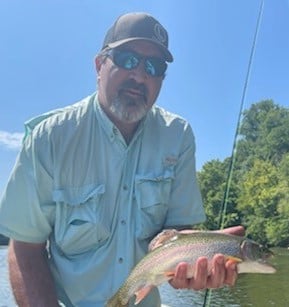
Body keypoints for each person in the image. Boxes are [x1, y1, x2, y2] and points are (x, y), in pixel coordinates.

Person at [0, 12, 244, 307]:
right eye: (127, 59)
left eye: (154, 67)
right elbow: (26, 246)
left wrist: (196, 256)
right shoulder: (49, 137)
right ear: (99, 65)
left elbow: (179, 231)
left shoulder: (178, 136)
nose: (140, 76)